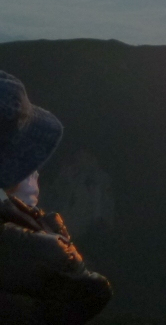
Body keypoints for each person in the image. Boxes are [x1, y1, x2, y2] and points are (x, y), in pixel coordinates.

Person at [0, 70, 112, 324]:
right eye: (27, 166)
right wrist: (60, 252)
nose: (35, 174)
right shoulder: (46, 256)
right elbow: (96, 291)